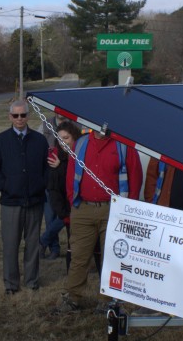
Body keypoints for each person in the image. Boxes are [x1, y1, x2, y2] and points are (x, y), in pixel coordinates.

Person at [57, 126, 143, 313]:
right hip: (83, 209)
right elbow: (71, 174)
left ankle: (108, 301)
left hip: (113, 210)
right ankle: (72, 298)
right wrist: (74, 201)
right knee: (79, 256)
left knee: (110, 258)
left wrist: (130, 209)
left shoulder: (124, 146)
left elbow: (135, 177)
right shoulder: (81, 143)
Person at [0, 100, 49, 294]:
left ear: (28, 116)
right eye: (15, 115)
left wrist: (40, 184)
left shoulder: (39, 140)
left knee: (33, 244)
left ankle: (32, 281)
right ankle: (11, 284)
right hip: (11, 202)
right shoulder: (0, 140)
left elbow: (47, 168)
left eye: (23, 115)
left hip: (35, 200)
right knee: (11, 244)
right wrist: (5, 185)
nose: (19, 119)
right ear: (9, 117)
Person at [41, 121, 80, 268]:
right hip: (65, 205)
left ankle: (43, 241)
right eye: (60, 138)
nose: (63, 142)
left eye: (66, 138)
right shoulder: (56, 156)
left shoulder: (79, 155)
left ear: (74, 138)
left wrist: (61, 165)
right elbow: (55, 187)